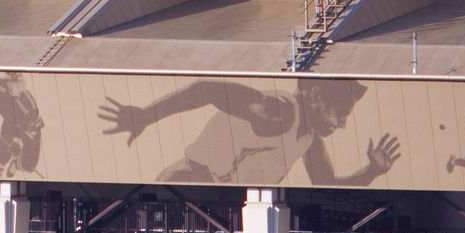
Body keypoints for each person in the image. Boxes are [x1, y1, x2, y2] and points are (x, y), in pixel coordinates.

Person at [95, 79, 398, 187]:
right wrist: (146, 115)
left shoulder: (308, 136)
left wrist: (372, 171)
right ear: (317, 96)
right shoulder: (281, 112)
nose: (343, 123)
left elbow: (324, 182)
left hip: (220, 201)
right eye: (341, 113)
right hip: (190, 181)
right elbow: (209, 90)